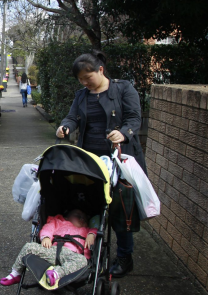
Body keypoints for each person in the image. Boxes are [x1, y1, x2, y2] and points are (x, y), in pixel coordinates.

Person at [56, 50, 146, 278]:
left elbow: (135, 118)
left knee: (119, 209)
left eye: (89, 78)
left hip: (119, 159)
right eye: (81, 80)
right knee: (93, 206)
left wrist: (124, 133)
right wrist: (65, 127)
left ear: (101, 70)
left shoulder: (123, 88)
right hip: (90, 161)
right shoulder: (82, 96)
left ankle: (125, 257)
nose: (85, 83)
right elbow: (72, 117)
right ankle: (86, 249)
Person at [0, 209, 97, 287]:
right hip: (52, 251)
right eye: (78, 215)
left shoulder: (87, 230)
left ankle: (56, 274)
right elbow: (48, 228)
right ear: (67, 217)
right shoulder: (59, 222)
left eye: (84, 218)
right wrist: (46, 237)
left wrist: (92, 234)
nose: (82, 218)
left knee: (83, 261)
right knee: (29, 246)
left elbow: (96, 230)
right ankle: (16, 273)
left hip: (72, 255)